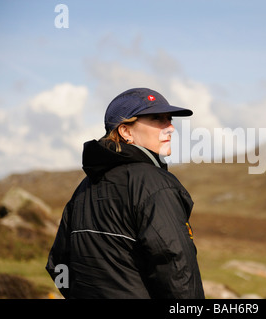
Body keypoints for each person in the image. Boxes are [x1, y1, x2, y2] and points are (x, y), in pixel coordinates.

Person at [46, 88, 205, 299]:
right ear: (126, 132)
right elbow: (177, 268)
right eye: (157, 118)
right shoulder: (154, 184)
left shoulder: (84, 188)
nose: (170, 128)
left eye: (169, 119)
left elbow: (58, 266)